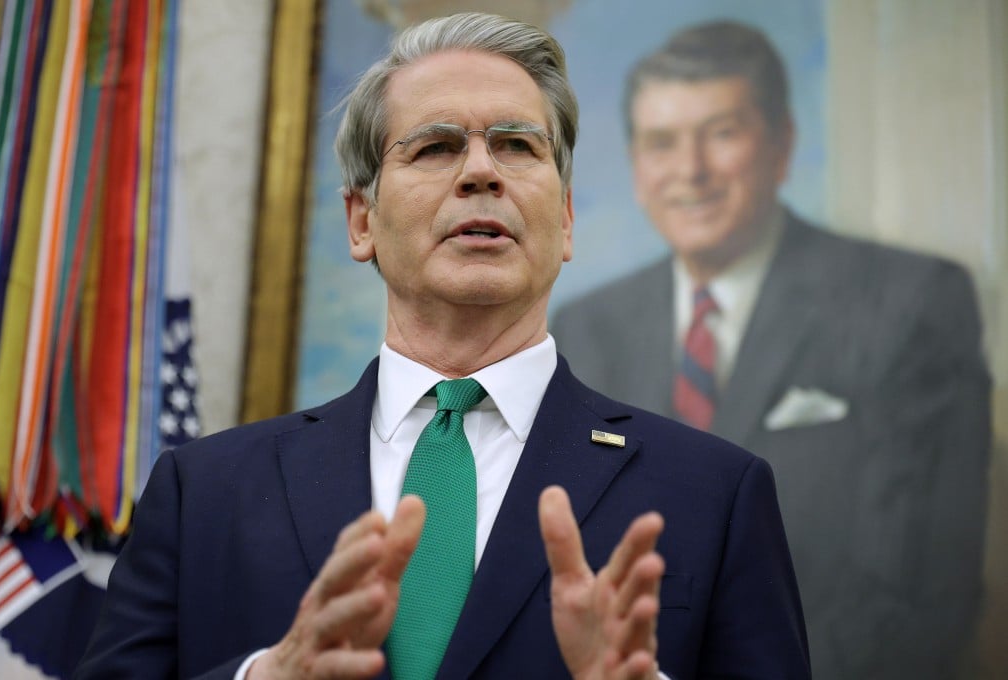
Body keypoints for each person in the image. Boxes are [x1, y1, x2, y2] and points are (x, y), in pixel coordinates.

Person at [75, 12, 810, 680]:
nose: (481, 171)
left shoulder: (715, 494)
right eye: (435, 147)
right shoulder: (203, 491)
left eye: (518, 145)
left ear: (566, 217)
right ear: (361, 220)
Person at [552, 20, 992, 680]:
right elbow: (566, 570)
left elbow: (917, 598)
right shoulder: (588, 327)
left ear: (782, 145)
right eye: (662, 142)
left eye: (722, 133)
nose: (690, 170)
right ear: (637, 165)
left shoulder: (911, 303)